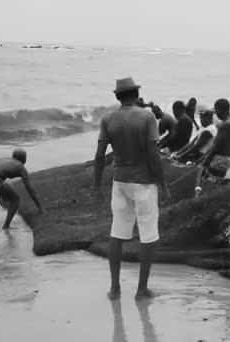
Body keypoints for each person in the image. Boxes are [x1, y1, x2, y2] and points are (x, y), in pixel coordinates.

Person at [94, 77, 170, 301]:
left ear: (118, 97)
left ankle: (115, 289)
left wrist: (97, 185)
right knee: (148, 236)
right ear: (136, 95)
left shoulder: (108, 118)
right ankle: (141, 290)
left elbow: (99, 157)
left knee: (117, 235)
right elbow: (153, 155)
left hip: (120, 182)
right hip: (143, 183)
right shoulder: (146, 117)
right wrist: (163, 183)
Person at [0, 149, 43, 229]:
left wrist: (3, 193)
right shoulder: (20, 167)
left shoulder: (5, 159)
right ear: (24, 159)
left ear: (13, 156)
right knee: (15, 199)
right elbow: (30, 190)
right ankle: (6, 226)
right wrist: (40, 208)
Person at [204, 99, 230, 178]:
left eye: (216, 110)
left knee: (207, 177)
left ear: (221, 110)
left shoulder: (225, 125)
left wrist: (206, 160)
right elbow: (220, 125)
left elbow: (216, 146)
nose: (215, 113)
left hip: (221, 161)